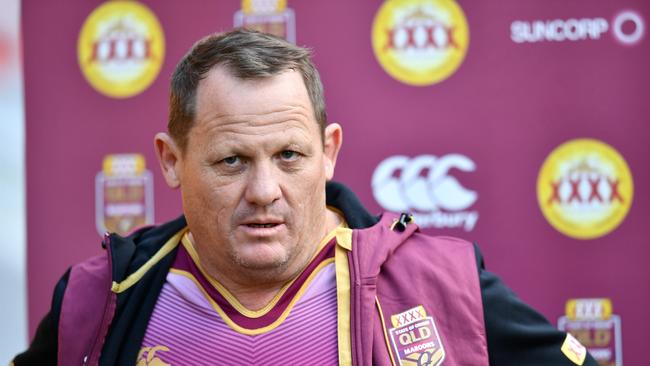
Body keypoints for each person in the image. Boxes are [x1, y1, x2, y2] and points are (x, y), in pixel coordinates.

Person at [13, 28, 597, 366]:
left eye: (289, 156)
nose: (264, 192)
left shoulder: (443, 284)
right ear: (171, 160)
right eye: (231, 161)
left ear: (329, 151)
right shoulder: (96, 301)